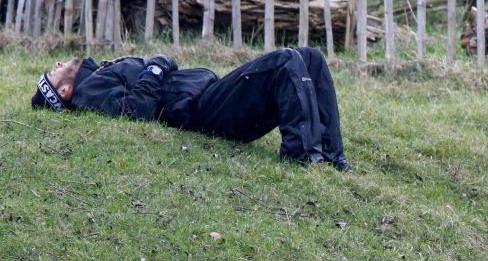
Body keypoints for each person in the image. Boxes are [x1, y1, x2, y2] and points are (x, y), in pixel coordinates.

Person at [31, 47, 351, 171]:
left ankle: (334, 159)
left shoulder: (97, 76)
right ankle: (302, 158)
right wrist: (155, 68)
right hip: (202, 111)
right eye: (54, 71)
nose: (57, 63)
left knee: (311, 58)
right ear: (64, 91)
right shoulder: (89, 93)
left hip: (209, 94)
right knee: (285, 61)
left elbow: (161, 66)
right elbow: (136, 110)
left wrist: (156, 66)